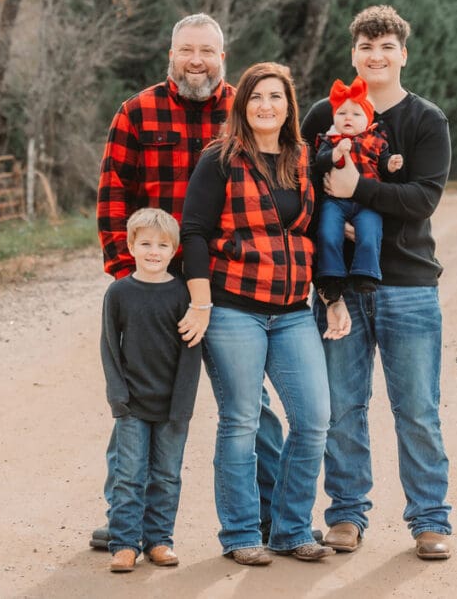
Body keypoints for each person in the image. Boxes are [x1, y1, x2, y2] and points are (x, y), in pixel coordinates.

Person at [93, 13, 285, 550]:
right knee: (137, 406)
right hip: (154, 287)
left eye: (206, 50)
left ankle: (274, 517)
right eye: (186, 50)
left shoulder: (243, 112)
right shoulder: (137, 113)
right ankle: (124, 522)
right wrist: (127, 279)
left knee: (252, 404)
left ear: (224, 57)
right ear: (170, 54)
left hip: (226, 287)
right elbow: (113, 197)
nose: (195, 59)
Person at [179, 62, 351, 565]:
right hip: (234, 309)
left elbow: (316, 235)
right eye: (256, 97)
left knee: (315, 418)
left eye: (275, 97)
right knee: (240, 421)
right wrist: (201, 301)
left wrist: (331, 295)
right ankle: (240, 534)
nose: (265, 106)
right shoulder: (220, 159)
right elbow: (193, 231)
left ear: (289, 106)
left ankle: (292, 528)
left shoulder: (302, 159)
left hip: (294, 310)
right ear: (242, 105)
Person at [301, 5, 454, 560]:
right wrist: (329, 213)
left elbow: (422, 200)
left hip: (408, 284)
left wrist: (358, 190)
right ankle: (345, 515)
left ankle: (430, 521)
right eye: (367, 46)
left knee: (416, 408)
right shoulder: (324, 113)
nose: (376, 55)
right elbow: (303, 185)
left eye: (387, 46)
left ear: (402, 55)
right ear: (354, 55)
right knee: (341, 406)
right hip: (339, 287)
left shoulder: (425, 120)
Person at [101, 208, 202, 572]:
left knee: (166, 474)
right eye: (145, 243)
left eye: (162, 245)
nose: (153, 251)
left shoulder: (181, 294)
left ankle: (159, 540)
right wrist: (118, 397)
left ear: (174, 250)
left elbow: (191, 354)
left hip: (173, 405)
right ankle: (125, 543)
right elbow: (110, 347)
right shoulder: (119, 294)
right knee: (129, 475)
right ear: (130, 246)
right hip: (133, 405)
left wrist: (184, 403)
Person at [313, 76, 403, 302]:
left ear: (368, 119)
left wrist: (390, 164)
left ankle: (366, 274)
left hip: (366, 202)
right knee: (328, 233)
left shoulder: (376, 140)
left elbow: (381, 163)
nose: (348, 118)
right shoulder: (330, 139)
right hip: (334, 201)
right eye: (342, 114)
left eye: (356, 114)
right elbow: (318, 163)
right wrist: (334, 154)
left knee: (370, 232)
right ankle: (331, 276)